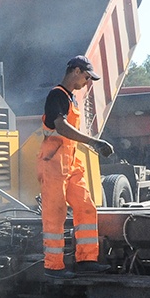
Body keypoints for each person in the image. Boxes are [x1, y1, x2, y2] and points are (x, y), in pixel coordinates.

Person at [38, 55, 115, 278]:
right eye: (87, 77)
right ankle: (53, 267)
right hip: (53, 164)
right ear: (77, 71)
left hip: (71, 163)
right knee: (55, 214)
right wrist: (93, 141)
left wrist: (93, 146)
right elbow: (61, 127)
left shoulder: (72, 99)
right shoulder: (56, 96)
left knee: (86, 207)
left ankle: (86, 260)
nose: (87, 82)